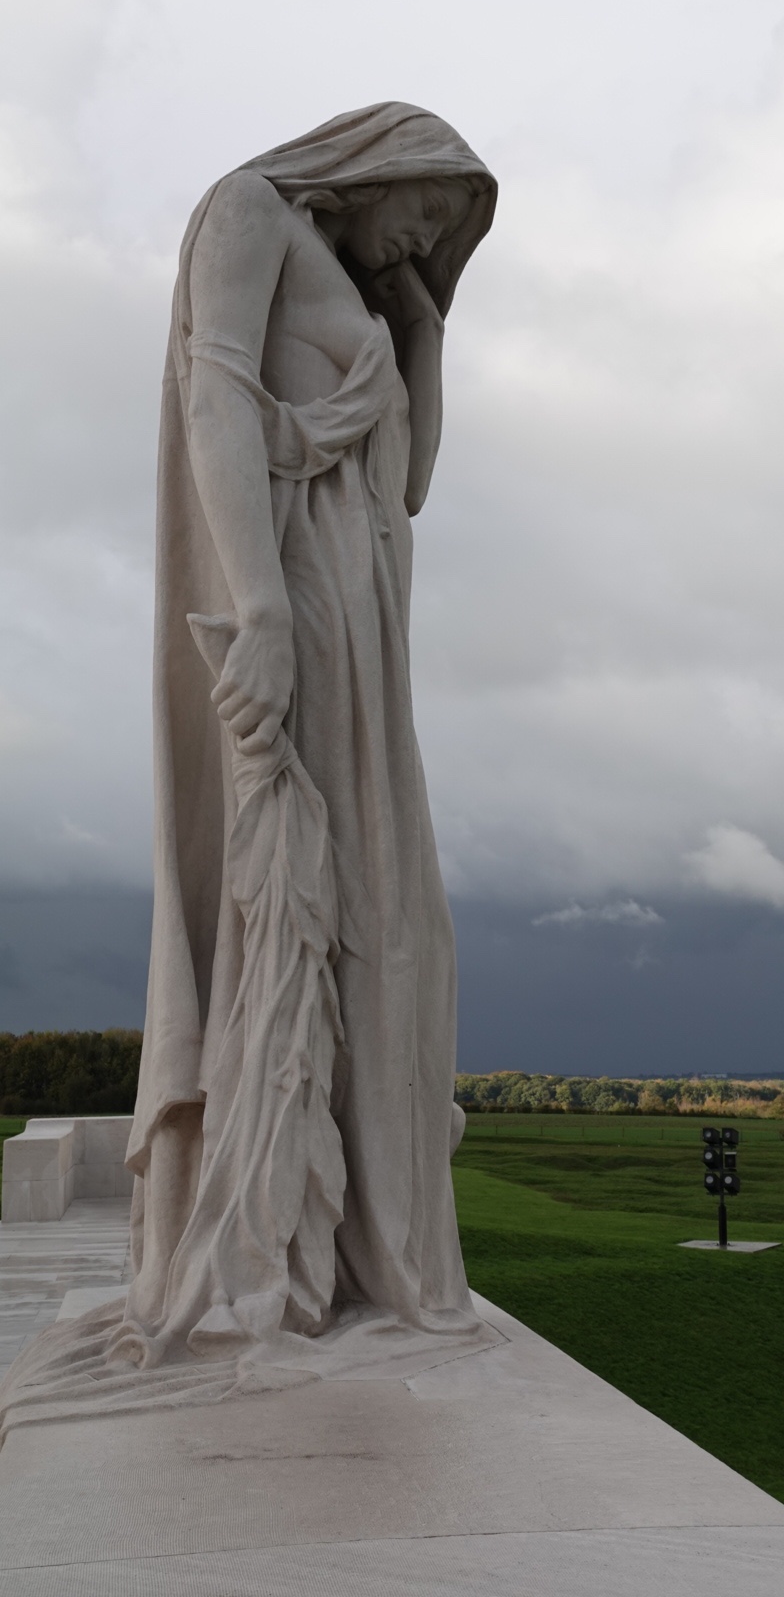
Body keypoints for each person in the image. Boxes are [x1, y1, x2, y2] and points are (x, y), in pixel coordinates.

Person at [0, 106, 500, 1428]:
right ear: (377, 166)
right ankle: (271, 1253)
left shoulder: (371, 296)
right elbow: (213, 389)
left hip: (371, 624)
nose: (423, 239)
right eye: (424, 211)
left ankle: (383, 1248)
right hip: (302, 600)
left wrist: (423, 332)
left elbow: (410, 485)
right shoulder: (249, 211)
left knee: (400, 925)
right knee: (314, 905)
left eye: (443, 234)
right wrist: (260, 609)